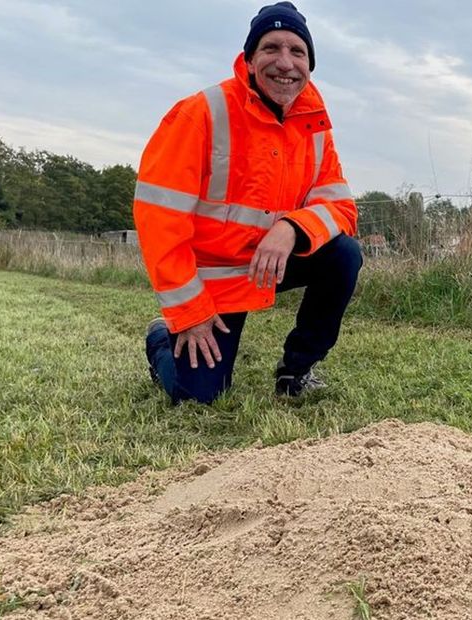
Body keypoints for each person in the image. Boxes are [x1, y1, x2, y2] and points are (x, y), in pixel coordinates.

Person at [133, 2, 361, 403]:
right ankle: (159, 340)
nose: (285, 63)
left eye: (298, 51)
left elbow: (340, 206)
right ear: (250, 59)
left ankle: (297, 370)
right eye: (271, 48)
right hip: (212, 280)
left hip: (268, 262)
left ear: (310, 64)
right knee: (197, 397)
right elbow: (158, 218)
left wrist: (291, 228)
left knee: (343, 255)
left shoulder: (315, 124)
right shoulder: (201, 113)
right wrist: (190, 311)